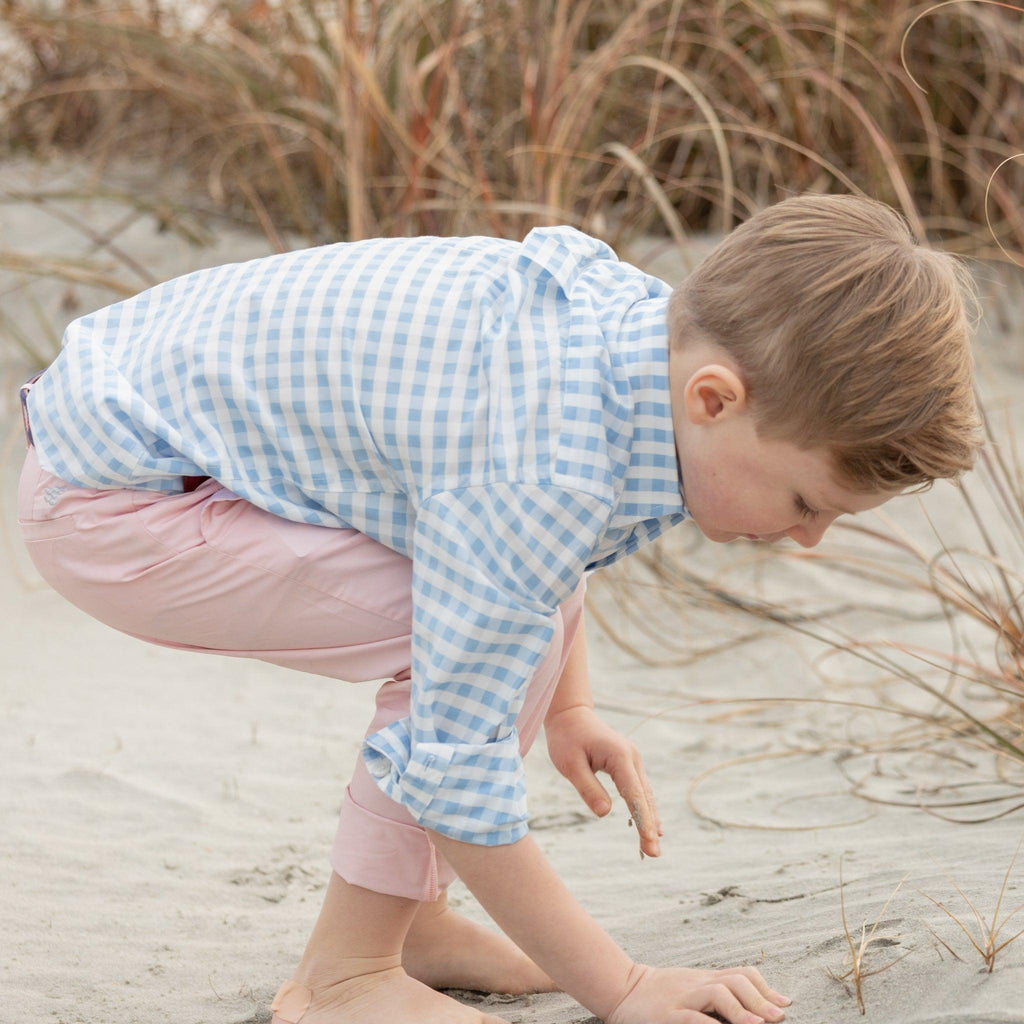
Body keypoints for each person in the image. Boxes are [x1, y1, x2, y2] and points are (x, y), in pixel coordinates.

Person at [16, 192, 981, 1024]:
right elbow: (459, 747)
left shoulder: (635, 340)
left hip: (154, 449)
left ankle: (412, 924)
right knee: (462, 660)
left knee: (501, 633)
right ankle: (344, 978)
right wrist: (623, 986)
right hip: (117, 502)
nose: (808, 538)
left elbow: (538, 565)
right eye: (808, 503)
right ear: (714, 401)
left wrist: (568, 708)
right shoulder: (544, 465)